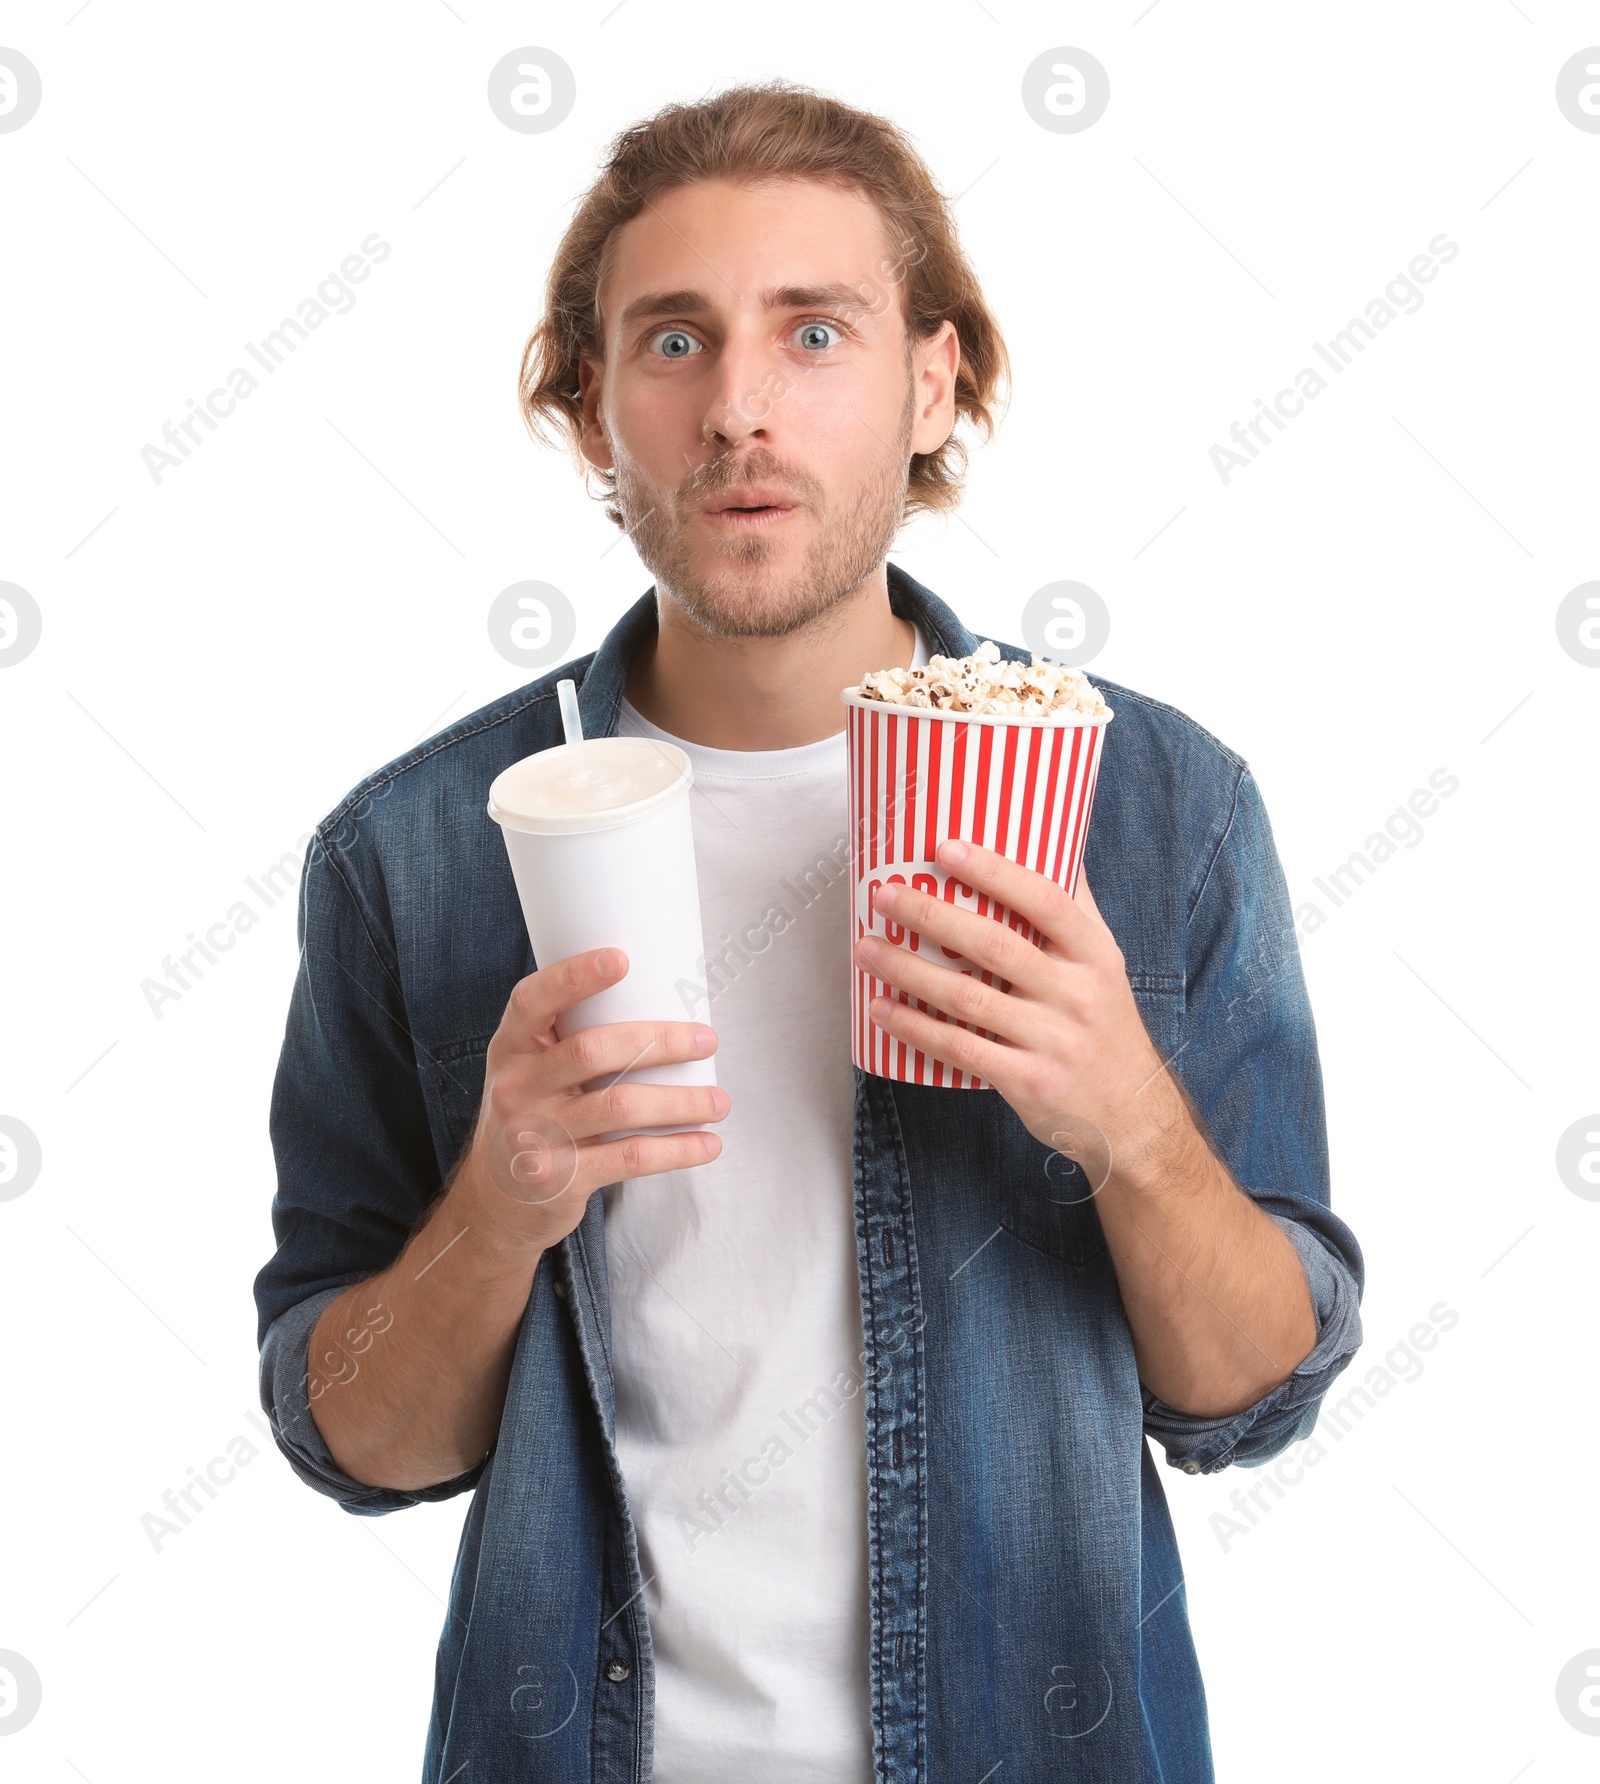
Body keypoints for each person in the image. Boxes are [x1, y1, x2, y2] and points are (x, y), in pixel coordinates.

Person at [254, 78, 1364, 1784]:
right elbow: (355, 1441)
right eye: (675, 342)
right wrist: (495, 1215)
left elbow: (1254, 1399)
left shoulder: (1157, 811)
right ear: (591, 408)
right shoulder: (416, 852)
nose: (741, 411)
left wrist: (1133, 1124)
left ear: (936, 381)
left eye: (817, 334)